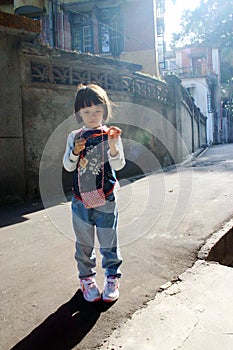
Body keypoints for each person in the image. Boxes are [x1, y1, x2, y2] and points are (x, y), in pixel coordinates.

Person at [63, 83, 125, 302]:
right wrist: (74, 152)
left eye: (97, 111)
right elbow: (68, 167)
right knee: (84, 243)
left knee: (108, 241)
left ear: (105, 110)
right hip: (81, 199)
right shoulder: (75, 136)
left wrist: (114, 146)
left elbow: (118, 165)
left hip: (106, 197)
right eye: (87, 111)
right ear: (79, 112)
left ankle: (111, 278)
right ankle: (87, 279)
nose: (92, 115)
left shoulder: (110, 133)